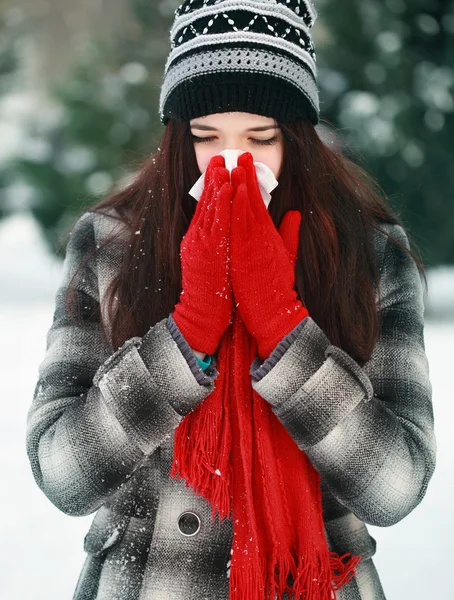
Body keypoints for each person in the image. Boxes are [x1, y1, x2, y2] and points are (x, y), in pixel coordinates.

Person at [25, 0, 436, 599]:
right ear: (176, 138)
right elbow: (63, 474)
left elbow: (396, 486)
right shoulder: (110, 246)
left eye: (260, 137)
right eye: (206, 136)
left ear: (297, 138)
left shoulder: (369, 257)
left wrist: (285, 329)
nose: (232, 161)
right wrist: (187, 332)